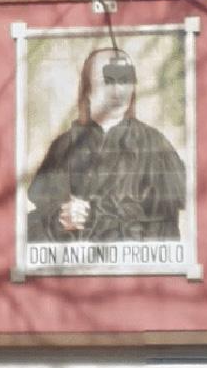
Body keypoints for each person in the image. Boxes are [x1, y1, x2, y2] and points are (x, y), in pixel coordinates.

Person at [27, 46, 186, 243]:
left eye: (125, 79)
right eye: (109, 80)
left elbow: (166, 230)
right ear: (88, 87)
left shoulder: (156, 147)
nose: (118, 90)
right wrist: (60, 219)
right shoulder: (63, 147)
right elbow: (36, 223)